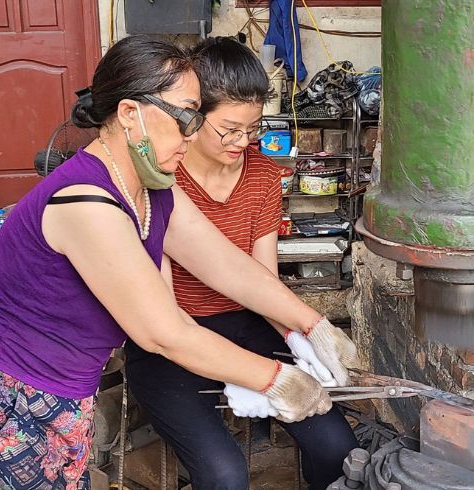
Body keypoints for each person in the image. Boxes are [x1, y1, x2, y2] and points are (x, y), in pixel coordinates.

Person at [0, 35, 358, 489]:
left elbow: (226, 264)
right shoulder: (87, 202)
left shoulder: (153, 187)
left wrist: (312, 325)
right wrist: (276, 379)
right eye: (187, 117)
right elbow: (163, 332)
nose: (192, 136)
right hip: (3, 378)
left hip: (63, 379)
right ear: (130, 114)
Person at [124, 37, 358, 490]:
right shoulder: (159, 181)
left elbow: (261, 282)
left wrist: (304, 335)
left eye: (251, 129)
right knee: (223, 473)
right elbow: (165, 319)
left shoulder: (263, 174)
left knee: (337, 447)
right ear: (192, 117)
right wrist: (256, 375)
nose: (242, 142)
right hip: (172, 340)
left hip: (248, 327)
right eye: (228, 129)